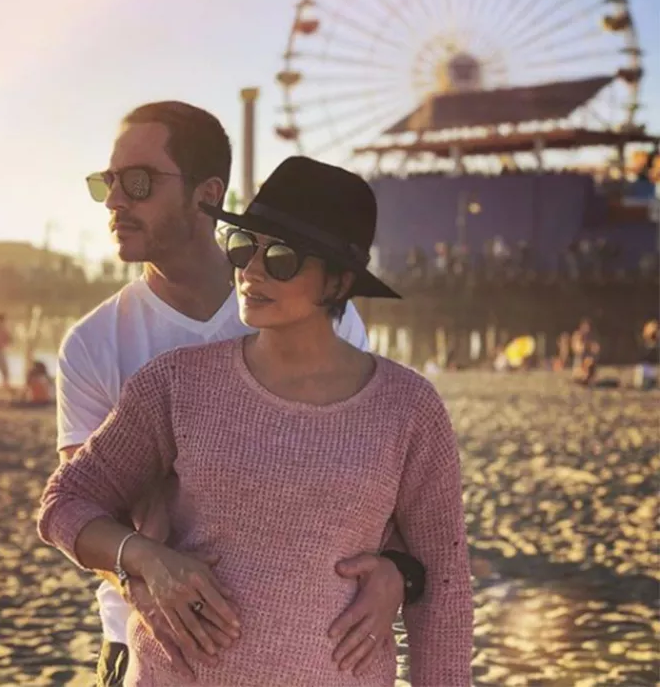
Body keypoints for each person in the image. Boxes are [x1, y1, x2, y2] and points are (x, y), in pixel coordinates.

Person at [39, 155, 473, 686]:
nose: (252, 271)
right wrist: (143, 558)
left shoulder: (409, 408)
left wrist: (398, 576)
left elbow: (445, 583)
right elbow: (65, 502)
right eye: (245, 248)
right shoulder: (176, 384)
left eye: (283, 257)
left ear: (337, 282)